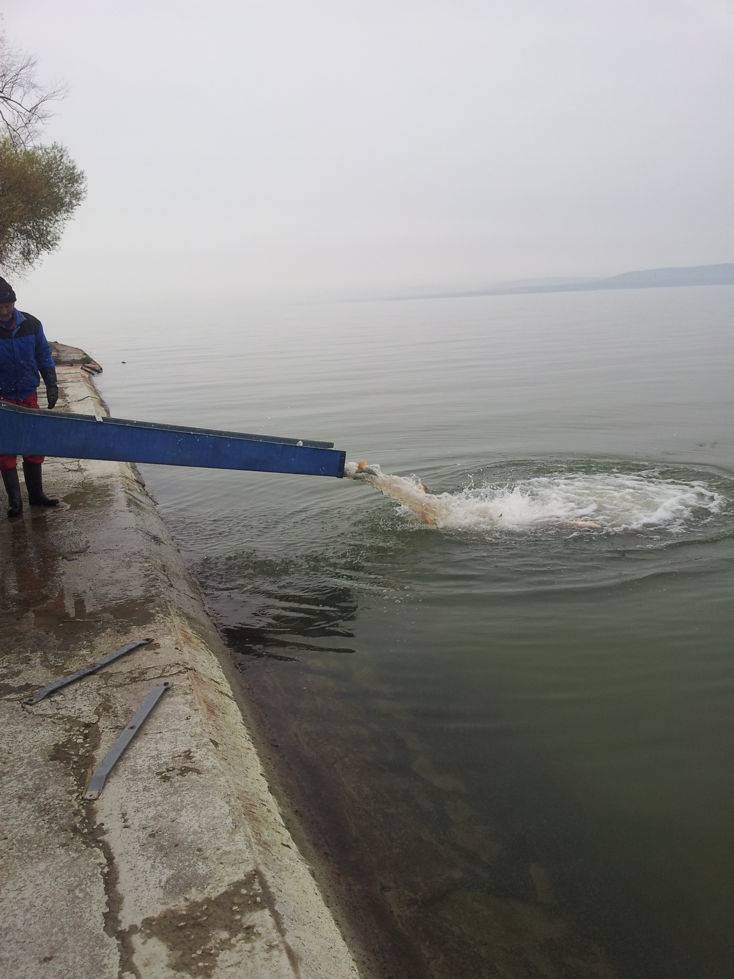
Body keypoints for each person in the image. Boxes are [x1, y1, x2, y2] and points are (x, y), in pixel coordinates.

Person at [0, 276, 60, 519]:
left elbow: (44, 355)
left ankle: (37, 496)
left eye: (8, 305)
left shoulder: (32, 324)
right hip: (2, 400)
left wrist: (52, 384)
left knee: (34, 445)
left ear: (14, 302)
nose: (4, 310)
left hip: (28, 394)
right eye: (0, 306)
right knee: (5, 451)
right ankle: (15, 503)